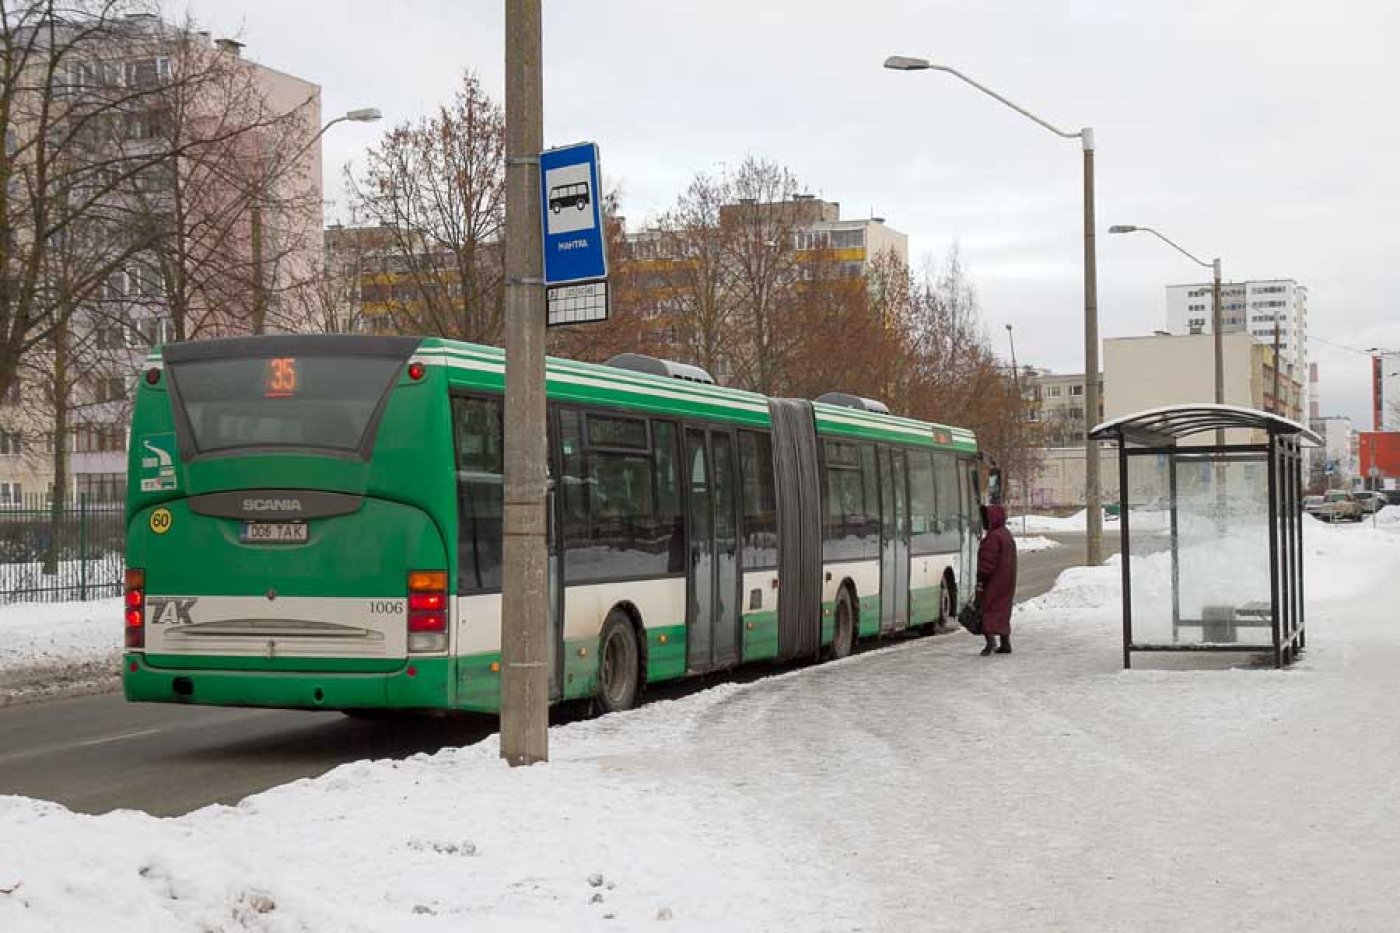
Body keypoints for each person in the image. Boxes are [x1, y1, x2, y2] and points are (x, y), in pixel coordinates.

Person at [975, 503, 1018, 655]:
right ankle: (1005, 643)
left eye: (985, 518)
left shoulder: (993, 538)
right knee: (1002, 611)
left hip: (993, 583)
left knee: (986, 610)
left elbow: (987, 563)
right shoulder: (1006, 535)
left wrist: (981, 580)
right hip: (1007, 582)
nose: (984, 522)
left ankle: (990, 643)